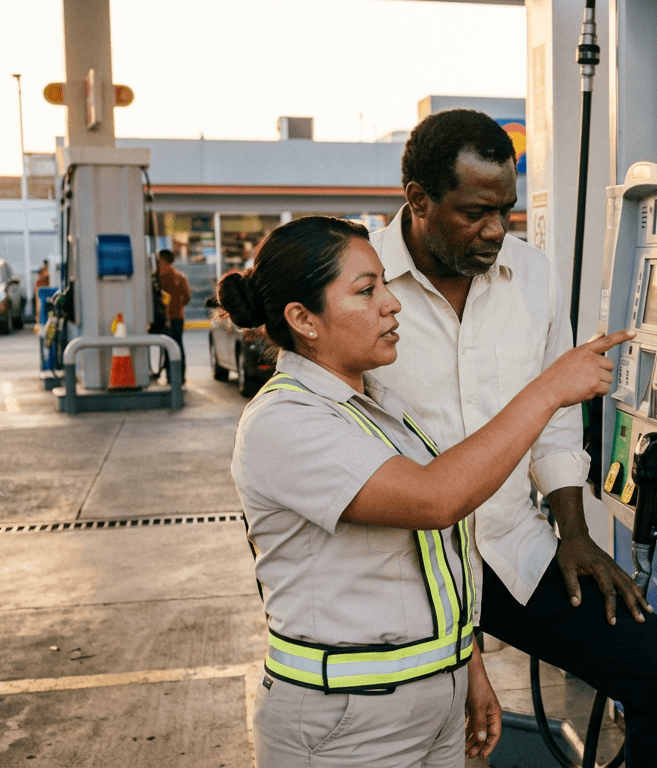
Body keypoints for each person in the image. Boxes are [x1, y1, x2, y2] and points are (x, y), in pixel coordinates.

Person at [218, 215, 634, 767]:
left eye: (384, 284)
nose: (392, 304)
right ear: (303, 319)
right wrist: (549, 390)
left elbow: (429, 563)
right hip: (345, 725)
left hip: (430, 704)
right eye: (366, 291)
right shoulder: (285, 420)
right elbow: (436, 500)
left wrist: (466, 666)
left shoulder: (378, 406)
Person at [367, 109, 657, 767]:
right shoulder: (362, 284)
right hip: (403, 566)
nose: (497, 230)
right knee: (440, 738)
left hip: (505, 547)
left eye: (506, 210)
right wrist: (464, 656)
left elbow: (556, 420)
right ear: (419, 200)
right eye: (475, 213)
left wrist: (573, 533)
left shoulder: (532, 276)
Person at [157, 249, 192, 379]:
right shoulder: (181, 277)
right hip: (178, 317)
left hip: (164, 317)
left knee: (168, 346)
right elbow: (187, 297)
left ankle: (171, 376)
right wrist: (178, 306)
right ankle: (180, 376)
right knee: (178, 345)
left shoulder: (159, 277)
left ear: (163, 259)